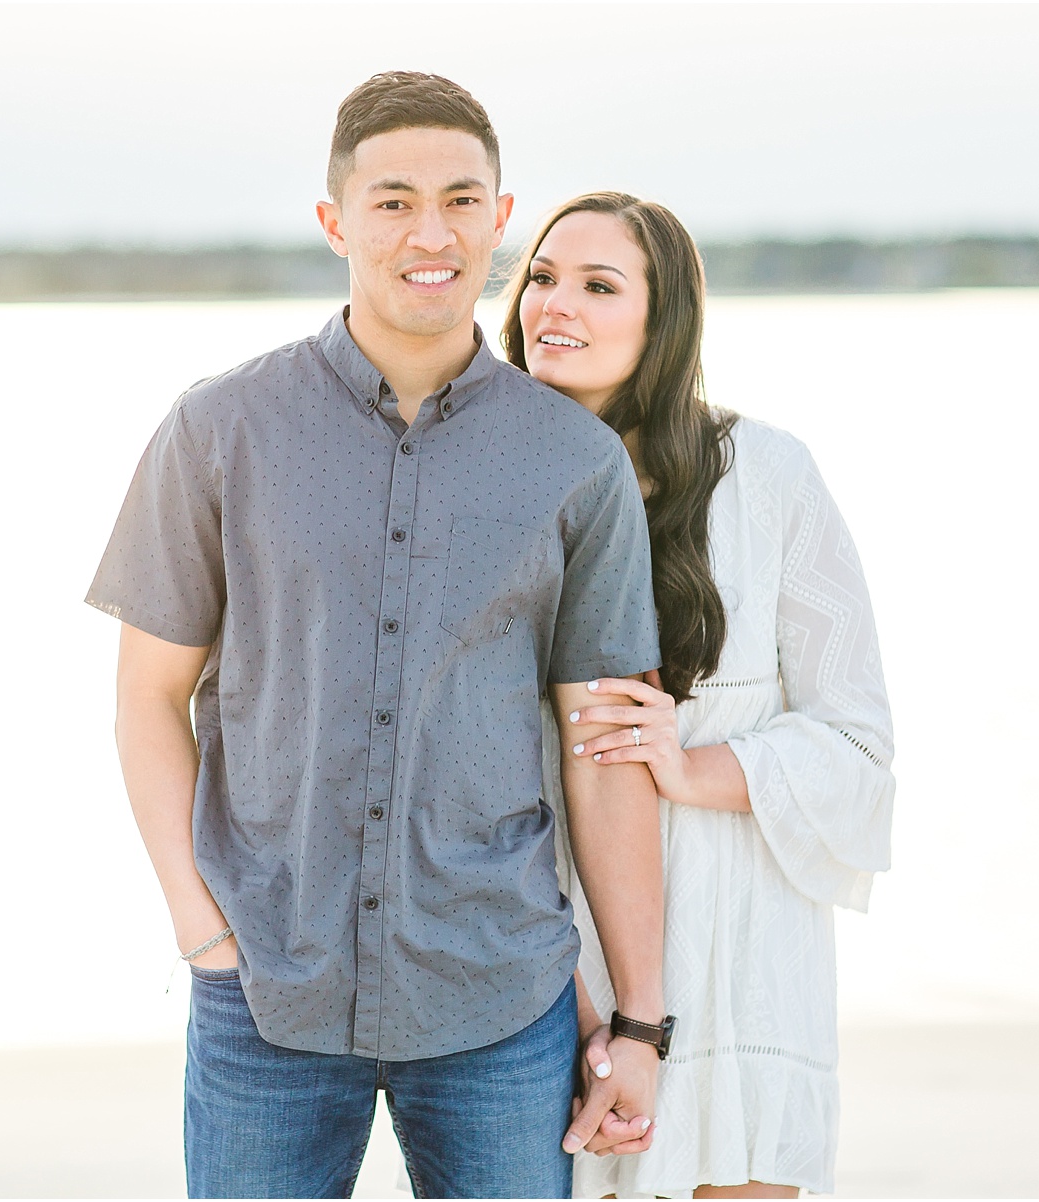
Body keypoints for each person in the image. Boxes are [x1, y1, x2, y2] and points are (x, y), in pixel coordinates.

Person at [86, 77, 673, 1199]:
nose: (431, 233)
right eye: (393, 200)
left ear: (502, 219)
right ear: (335, 222)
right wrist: (201, 930)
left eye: (461, 199)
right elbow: (147, 700)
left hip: (501, 1000)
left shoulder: (574, 463)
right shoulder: (219, 428)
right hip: (265, 990)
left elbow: (606, 754)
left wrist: (640, 1019)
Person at [502, 193, 897, 1198]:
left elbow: (858, 746)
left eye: (599, 285)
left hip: (743, 963)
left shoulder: (763, 475)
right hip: (560, 966)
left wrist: (689, 763)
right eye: (543, 276)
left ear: (663, 317)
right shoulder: (484, 481)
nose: (557, 303)